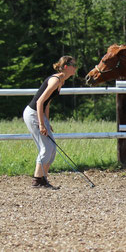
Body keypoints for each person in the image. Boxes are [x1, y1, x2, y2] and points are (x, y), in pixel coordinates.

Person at [23, 56, 77, 188]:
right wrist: (41, 124)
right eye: (73, 65)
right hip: (33, 114)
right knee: (46, 148)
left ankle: (43, 178)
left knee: (52, 149)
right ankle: (37, 180)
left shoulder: (61, 81)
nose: (75, 68)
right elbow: (39, 102)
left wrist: (47, 121)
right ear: (66, 67)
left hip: (39, 114)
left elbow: (48, 103)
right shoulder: (55, 81)